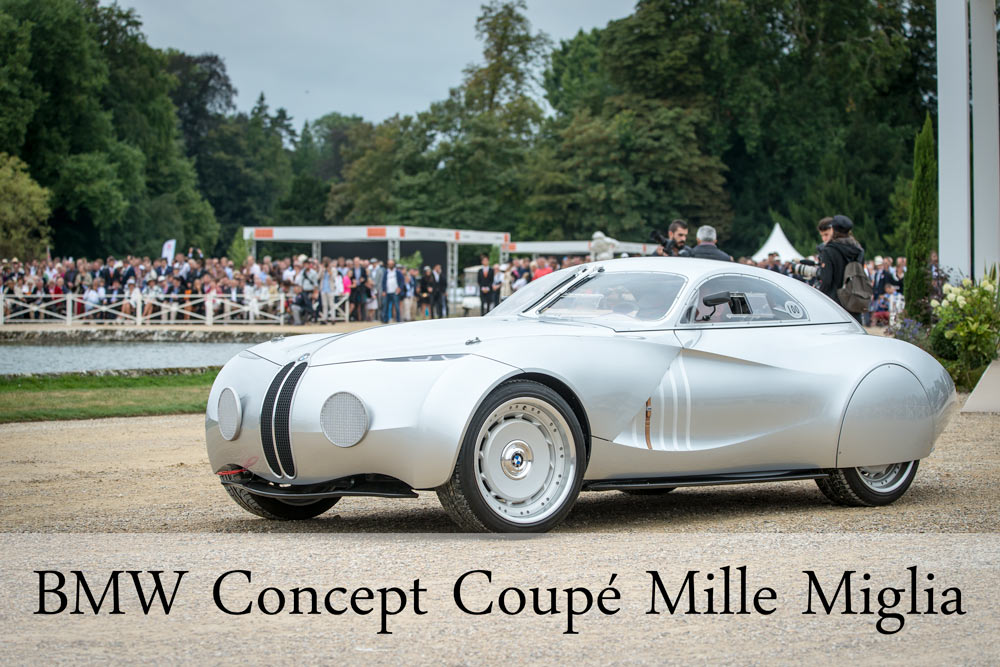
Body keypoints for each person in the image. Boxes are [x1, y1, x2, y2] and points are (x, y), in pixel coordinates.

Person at [816, 214, 867, 322]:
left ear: (833, 230)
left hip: (834, 304)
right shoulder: (858, 250)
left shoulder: (829, 250)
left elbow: (826, 280)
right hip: (854, 300)